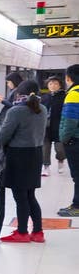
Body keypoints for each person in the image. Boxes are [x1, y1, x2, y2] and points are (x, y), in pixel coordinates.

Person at [0, 79, 47, 243]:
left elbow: (3, 136)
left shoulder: (16, 111)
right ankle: (38, 232)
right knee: (30, 195)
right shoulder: (43, 109)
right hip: (36, 154)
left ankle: (22, 232)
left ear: (19, 93)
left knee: (20, 196)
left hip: (18, 155)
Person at [58, 63, 79, 216]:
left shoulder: (74, 94)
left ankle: (77, 206)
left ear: (69, 78)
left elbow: (70, 121)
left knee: (77, 175)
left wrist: (63, 138)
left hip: (75, 141)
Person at [41, 75, 66, 176]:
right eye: (50, 83)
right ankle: (46, 167)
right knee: (45, 148)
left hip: (58, 125)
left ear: (60, 85)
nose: (53, 85)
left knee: (60, 148)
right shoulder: (44, 97)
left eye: (56, 83)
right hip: (45, 126)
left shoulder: (64, 96)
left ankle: (61, 160)